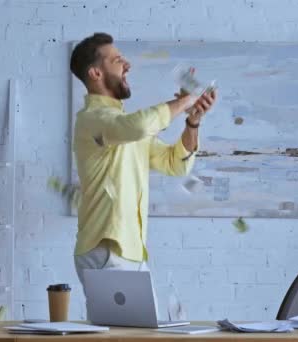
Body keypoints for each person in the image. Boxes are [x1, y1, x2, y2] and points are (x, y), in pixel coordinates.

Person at [69, 32, 217, 294]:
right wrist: (185, 100)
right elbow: (138, 127)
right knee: (123, 335)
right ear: (96, 74)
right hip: (107, 250)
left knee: (139, 333)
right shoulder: (93, 119)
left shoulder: (122, 127)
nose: (127, 65)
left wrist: (193, 120)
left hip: (128, 251)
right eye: (117, 60)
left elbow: (176, 163)